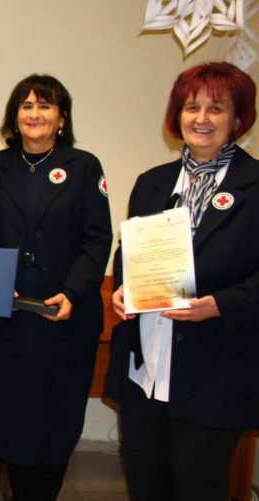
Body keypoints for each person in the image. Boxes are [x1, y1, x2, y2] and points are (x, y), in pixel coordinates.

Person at [105, 62, 259, 501]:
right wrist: (122, 287)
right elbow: (129, 250)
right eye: (192, 107)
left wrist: (220, 304)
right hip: (146, 369)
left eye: (216, 108)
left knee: (198, 484)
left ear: (238, 119)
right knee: (145, 480)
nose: (201, 118)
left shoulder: (254, 185)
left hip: (217, 367)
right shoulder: (152, 182)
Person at [0, 74, 112, 501]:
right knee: (11, 419)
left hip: (64, 318)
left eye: (45, 105)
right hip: (9, 316)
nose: (35, 114)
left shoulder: (84, 166)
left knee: (57, 420)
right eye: (27, 106)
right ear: (14, 117)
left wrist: (72, 292)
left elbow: (97, 240)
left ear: (62, 117)